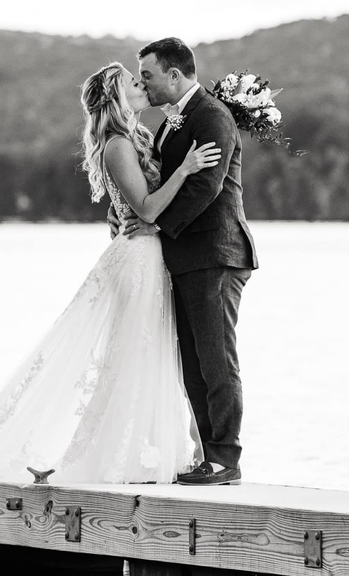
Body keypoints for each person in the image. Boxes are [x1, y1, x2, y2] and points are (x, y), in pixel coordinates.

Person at [0, 62, 221, 484]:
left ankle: (148, 452)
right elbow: (145, 209)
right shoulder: (117, 145)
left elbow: (133, 203)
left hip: (149, 254)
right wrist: (185, 169)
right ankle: (120, 456)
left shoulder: (137, 138)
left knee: (149, 355)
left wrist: (126, 209)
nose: (141, 84)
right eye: (133, 82)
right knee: (133, 356)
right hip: (137, 260)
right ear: (117, 98)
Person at [113, 38, 258, 486]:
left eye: (149, 76)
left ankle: (226, 459)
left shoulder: (211, 116)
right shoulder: (170, 123)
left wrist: (156, 225)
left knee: (216, 359)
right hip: (184, 257)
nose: (145, 85)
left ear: (175, 75)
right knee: (193, 363)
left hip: (216, 253)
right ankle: (208, 457)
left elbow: (206, 187)